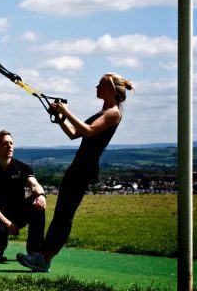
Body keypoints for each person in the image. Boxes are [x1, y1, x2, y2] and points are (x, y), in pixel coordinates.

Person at [17, 73, 134, 272]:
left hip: (84, 169)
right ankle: (42, 256)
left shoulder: (113, 113)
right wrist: (60, 116)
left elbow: (88, 131)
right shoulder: (103, 111)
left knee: (64, 216)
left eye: (101, 84)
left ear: (112, 90)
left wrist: (66, 110)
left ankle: (44, 259)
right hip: (78, 167)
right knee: (61, 214)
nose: (96, 87)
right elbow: (74, 133)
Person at [0, 130, 47, 262]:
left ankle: (34, 253)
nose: (9, 146)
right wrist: (7, 223)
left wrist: (42, 196)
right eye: (5, 144)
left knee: (37, 203)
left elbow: (34, 185)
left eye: (11, 143)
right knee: (0, 236)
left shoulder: (22, 167)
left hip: (18, 214)